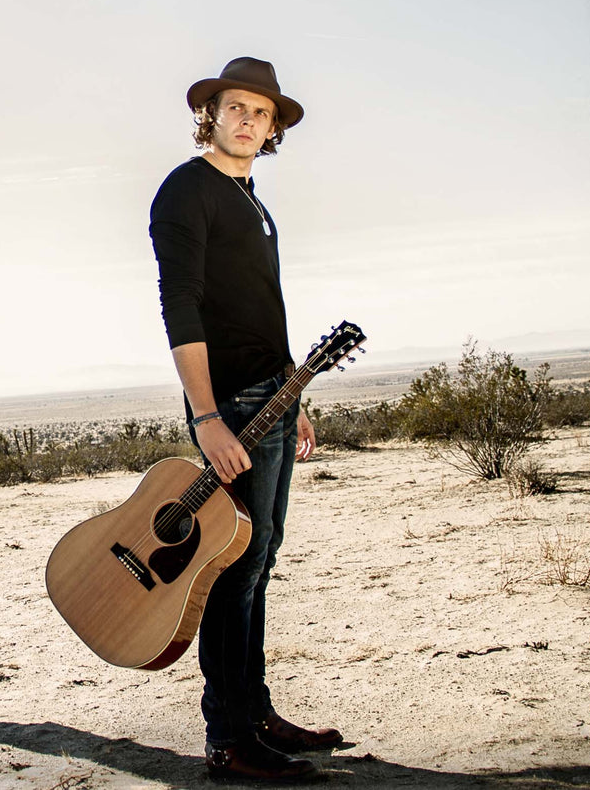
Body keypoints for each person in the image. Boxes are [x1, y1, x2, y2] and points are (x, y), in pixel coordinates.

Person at [149, 56, 342, 781]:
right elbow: (180, 304)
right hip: (227, 405)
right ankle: (228, 737)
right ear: (212, 113)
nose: (247, 121)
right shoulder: (186, 189)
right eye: (236, 107)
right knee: (232, 566)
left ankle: (256, 712)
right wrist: (205, 415)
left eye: (261, 113)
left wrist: (295, 401)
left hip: (270, 399)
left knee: (260, 558)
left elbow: (266, 312)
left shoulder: (254, 201)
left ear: (272, 129)